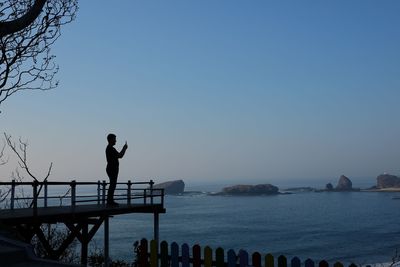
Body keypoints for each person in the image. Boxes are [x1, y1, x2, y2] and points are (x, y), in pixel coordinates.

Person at [105, 133, 128, 206]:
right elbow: (120, 155)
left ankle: (110, 201)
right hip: (112, 169)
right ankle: (110, 201)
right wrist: (124, 148)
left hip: (111, 168)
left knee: (112, 184)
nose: (116, 141)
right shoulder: (110, 148)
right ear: (111, 140)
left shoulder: (110, 148)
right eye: (114, 139)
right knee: (112, 184)